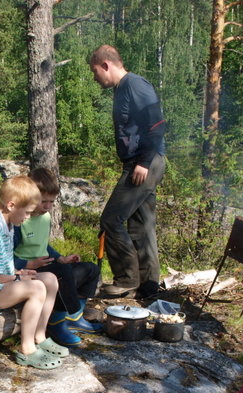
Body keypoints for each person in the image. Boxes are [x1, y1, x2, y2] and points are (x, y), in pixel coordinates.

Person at [89, 44, 167, 299]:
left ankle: (126, 280)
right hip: (142, 161)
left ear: (105, 65)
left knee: (111, 219)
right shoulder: (124, 88)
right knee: (141, 224)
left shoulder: (134, 85)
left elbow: (156, 123)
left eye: (94, 72)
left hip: (145, 162)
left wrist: (143, 162)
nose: (94, 78)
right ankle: (148, 286)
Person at [0, 175, 66, 370]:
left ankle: (40, 335)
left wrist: (18, 271)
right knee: (37, 288)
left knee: (50, 279)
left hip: (3, 284)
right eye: (28, 213)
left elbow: (2, 264)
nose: (29, 217)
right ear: (12, 205)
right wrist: (17, 276)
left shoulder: (9, 223)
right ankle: (27, 349)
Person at [13, 167, 102, 347]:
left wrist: (60, 257)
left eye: (51, 202)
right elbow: (5, 256)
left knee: (91, 269)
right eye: (43, 201)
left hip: (46, 263)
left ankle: (74, 317)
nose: (47, 206)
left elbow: (42, 244)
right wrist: (29, 263)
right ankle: (56, 323)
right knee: (62, 273)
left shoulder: (45, 217)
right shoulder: (20, 220)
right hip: (26, 271)